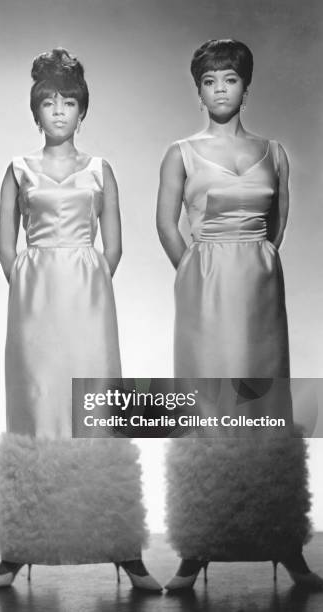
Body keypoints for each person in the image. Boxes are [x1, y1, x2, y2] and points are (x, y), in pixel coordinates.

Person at [0, 48, 161, 591]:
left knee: (99, 408)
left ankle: (125, 550)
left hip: (88, 299)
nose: (59, 110)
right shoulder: (17, 169)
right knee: (35, 408)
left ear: (84, 111)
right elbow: (4, 248)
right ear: (35, 111)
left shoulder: (102, 169)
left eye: (70, 102)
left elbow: (116, 246)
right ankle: (18, 550)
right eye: (49, 102)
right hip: (33, 301)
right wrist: (33, 286)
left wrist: (86, 285)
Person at [157, 39, 322, 590]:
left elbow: (277, 226)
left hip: (259, 289)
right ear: (197, 89)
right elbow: (165, 224)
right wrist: (194, 272)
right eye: (209, 81)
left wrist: (255, 264)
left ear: (245, 87)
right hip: (204, 289)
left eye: (229, 79)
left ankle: (284, 544)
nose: (219, 89)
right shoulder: (180, 151)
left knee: (265, 405)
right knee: (209, 403)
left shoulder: (275, 152)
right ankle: (197, 546)